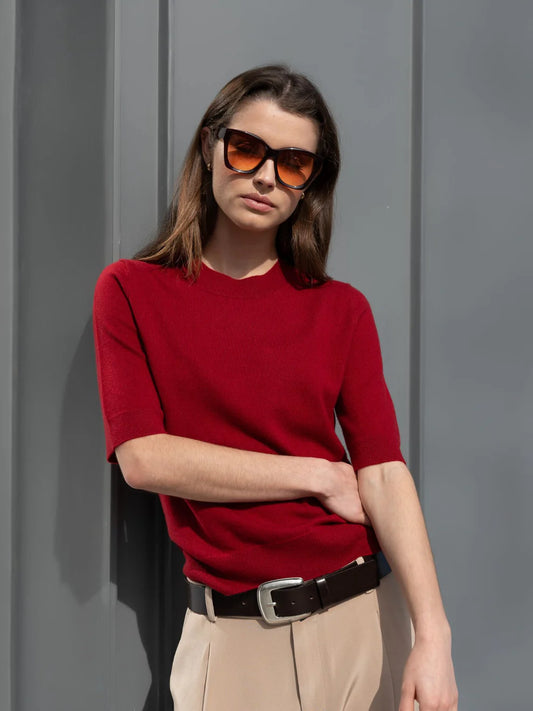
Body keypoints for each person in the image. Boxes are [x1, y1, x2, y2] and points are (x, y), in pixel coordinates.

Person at [93, 64, 458, 711]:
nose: (265, 176)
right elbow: (144, 458)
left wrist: (433, 637)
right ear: (210, 147)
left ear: (309, 183)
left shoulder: (340, 309)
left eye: (293, 164)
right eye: (246, 149)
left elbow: (383, 471)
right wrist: (315, 475)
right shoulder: (130, 290)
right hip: (233, 638)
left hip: (362, 619)